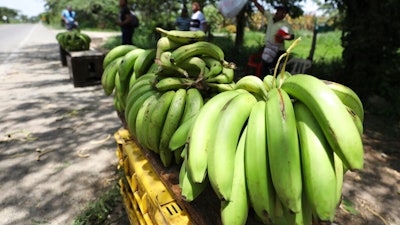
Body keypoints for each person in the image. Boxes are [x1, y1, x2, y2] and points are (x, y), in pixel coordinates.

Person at [251, 0, 295, 77]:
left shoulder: (286, 24)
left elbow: (292, 36)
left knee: (273, 69)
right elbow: (262, 9)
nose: (277, 12)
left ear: (284, 14)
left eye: (281, 11)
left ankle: (273, 85)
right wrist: (255, 2)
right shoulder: (271, 18)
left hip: (278, 50)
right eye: (277, 10)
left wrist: (283, 37)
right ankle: (263, 83)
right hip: (268, 47)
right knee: (264, 67)